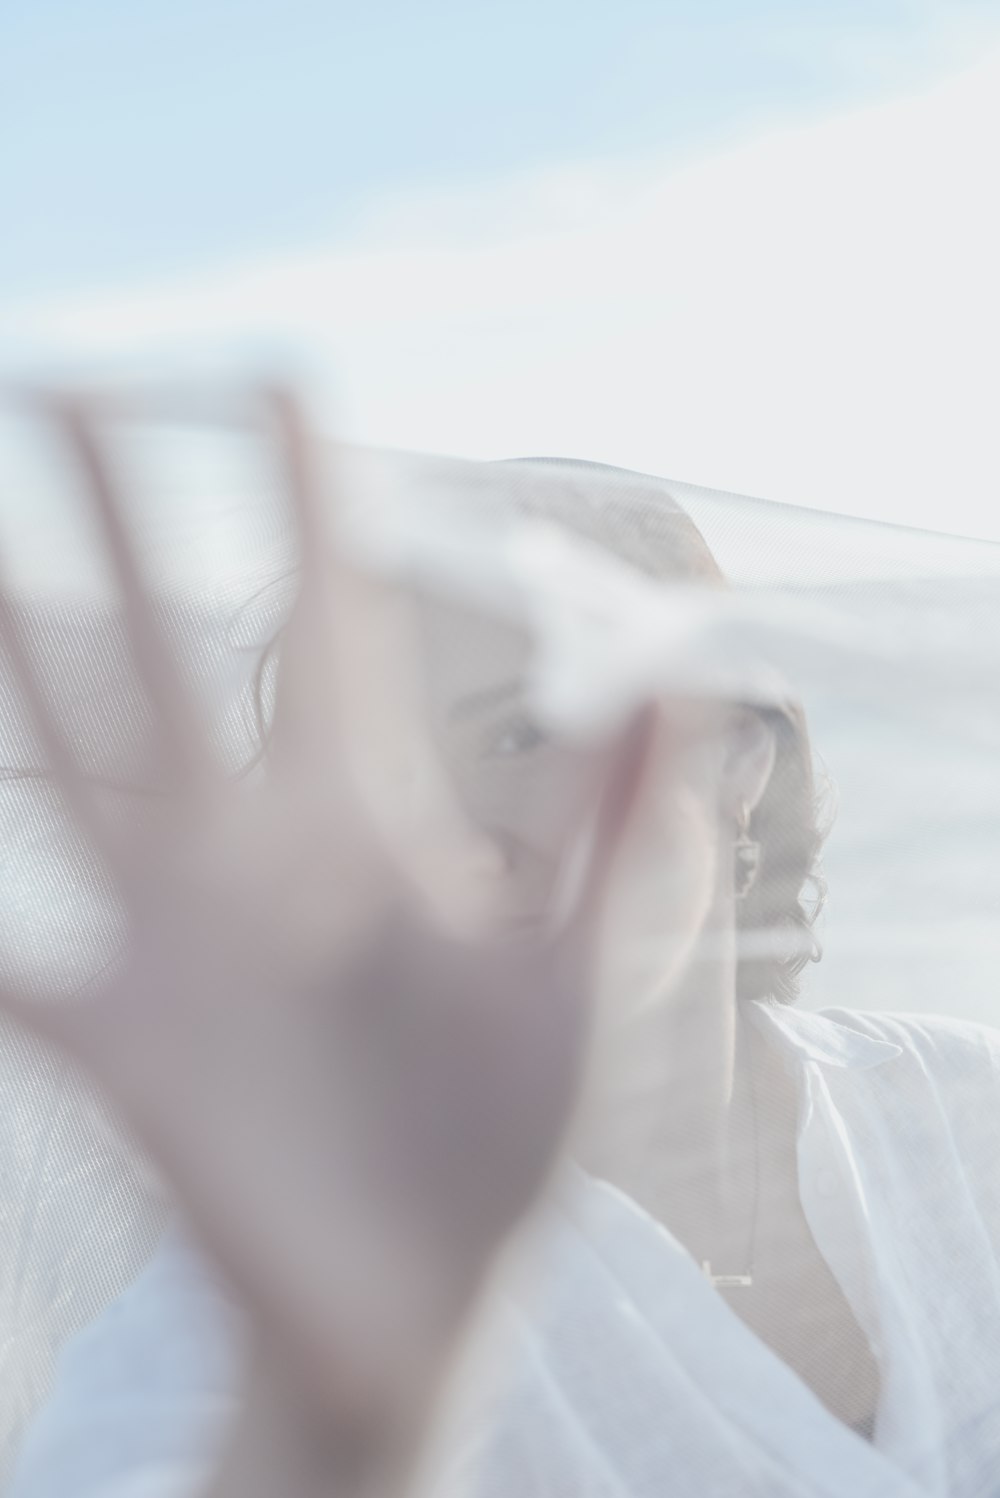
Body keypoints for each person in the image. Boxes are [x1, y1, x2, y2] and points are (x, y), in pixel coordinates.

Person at [4, 397, 1000, 1498]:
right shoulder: (306, 1269)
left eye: (524, 732)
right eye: (399, 778)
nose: (459, 846)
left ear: (735, 754)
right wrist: (328, 1431)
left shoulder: (960, 1110)